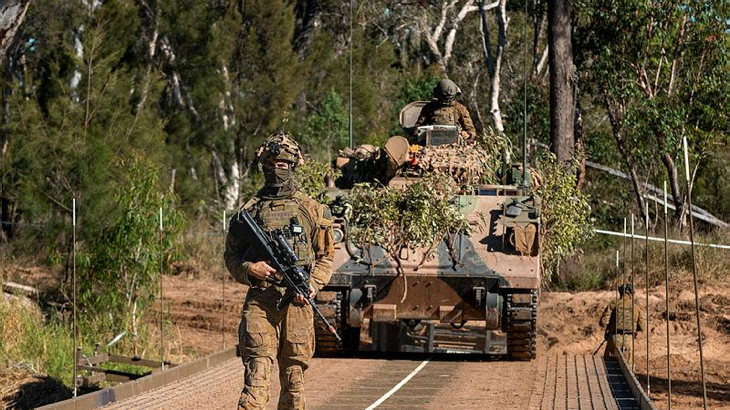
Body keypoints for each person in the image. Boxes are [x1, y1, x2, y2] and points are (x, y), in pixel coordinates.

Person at [224, 132, 335, 410]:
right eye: (270, 165)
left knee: (294, 381)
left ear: (293, 166)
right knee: (256, 377)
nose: (276, 170)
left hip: (298, 304)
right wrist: (251, 268)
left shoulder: (312, 209)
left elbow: (326, 257)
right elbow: (231, 257)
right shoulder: (249, 212)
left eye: (282, 164)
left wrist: (311, 285)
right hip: (261, 302)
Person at [599, 284, 643, 366]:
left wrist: (611, 325)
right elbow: (642, 326)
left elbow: (603, 322)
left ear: (620, 292)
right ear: (631, 293)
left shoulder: (613, 305)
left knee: (609, 365)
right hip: (629, 340)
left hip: (614, 338)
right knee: (628, 367)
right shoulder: (636, 307)